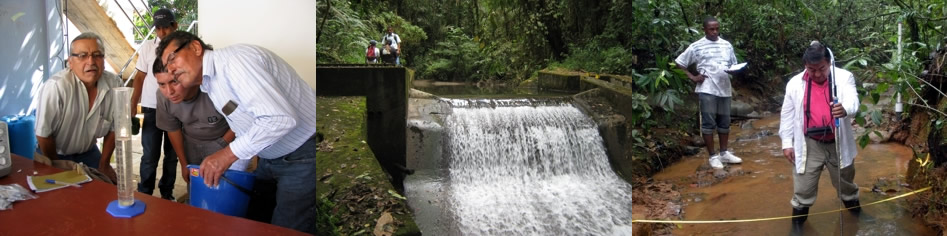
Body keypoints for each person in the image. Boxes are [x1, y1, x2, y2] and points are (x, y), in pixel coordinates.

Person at [156, 31, 317, 234]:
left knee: (286, 228)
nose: (170, 69)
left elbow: (279, 119)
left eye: (172, 58)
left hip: (304, 154)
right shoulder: (211, 84)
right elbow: (247, 128)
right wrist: (230, 172)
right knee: (257, 220)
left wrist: (226, 155)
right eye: (167, 66)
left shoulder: (234, 63)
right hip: (270, 157)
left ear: (196, 47)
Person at [779, 41, 861, 234]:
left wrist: (845, 109)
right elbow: (787, 115)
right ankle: (797, 230)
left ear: (829, 62)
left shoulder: (844, 77)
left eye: (821, 69)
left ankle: (857, 220)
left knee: (846, 185)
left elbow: (853, 102)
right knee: (803, 190)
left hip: (838, 142)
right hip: (809, 143)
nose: (816, 74)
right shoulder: (794, 83)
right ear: (805, 66)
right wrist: (786, 143)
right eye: (811, 69)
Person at [34, 32, 119, 181]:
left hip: (88, 152)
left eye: (97, 55)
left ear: (103, 60)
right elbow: (43, 134)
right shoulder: (56, 87)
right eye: (82, 55)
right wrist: (57, 167)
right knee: (61, 196)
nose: (91, 61)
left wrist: (104, 164)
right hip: (53, 153)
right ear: (70, 63)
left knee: (108, 187)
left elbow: (114, 128)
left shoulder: (114, 84)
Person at [152, 60, 250, 185]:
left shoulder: (214, 89)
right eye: (162, 84)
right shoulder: (162, 97)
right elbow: (172, 129)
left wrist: (223, 142)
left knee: (224, 187)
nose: (169, 91)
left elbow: (241, 120)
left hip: (226, 142)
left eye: (174, 82)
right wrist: (184, 163)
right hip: (191, 144)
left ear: (186, 76)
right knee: (196, 187)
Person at [674, 16, 743, 169]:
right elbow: (680, 62)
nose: (715, 32)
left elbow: (733, 64)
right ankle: (713, 156)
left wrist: (735, 70)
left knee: (724, 122)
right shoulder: (696, 46)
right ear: (704, 29)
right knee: (708, 123)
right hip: (707, 89)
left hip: (724, 88)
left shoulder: (727, 45)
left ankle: (724, 153)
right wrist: (692, 77)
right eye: (711, 29)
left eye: (717, 28)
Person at [130, 8, 179, 200]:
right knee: (149, 155)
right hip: (152, 108)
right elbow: (139, 77)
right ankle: (145, 193)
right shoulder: (148, 48)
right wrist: (134, 104)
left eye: (166, 27)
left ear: (175, 26)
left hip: (177, 109)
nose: (161, 33)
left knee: (172, 156)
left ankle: (167, 193)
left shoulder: (183, 47)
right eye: (158, 28)